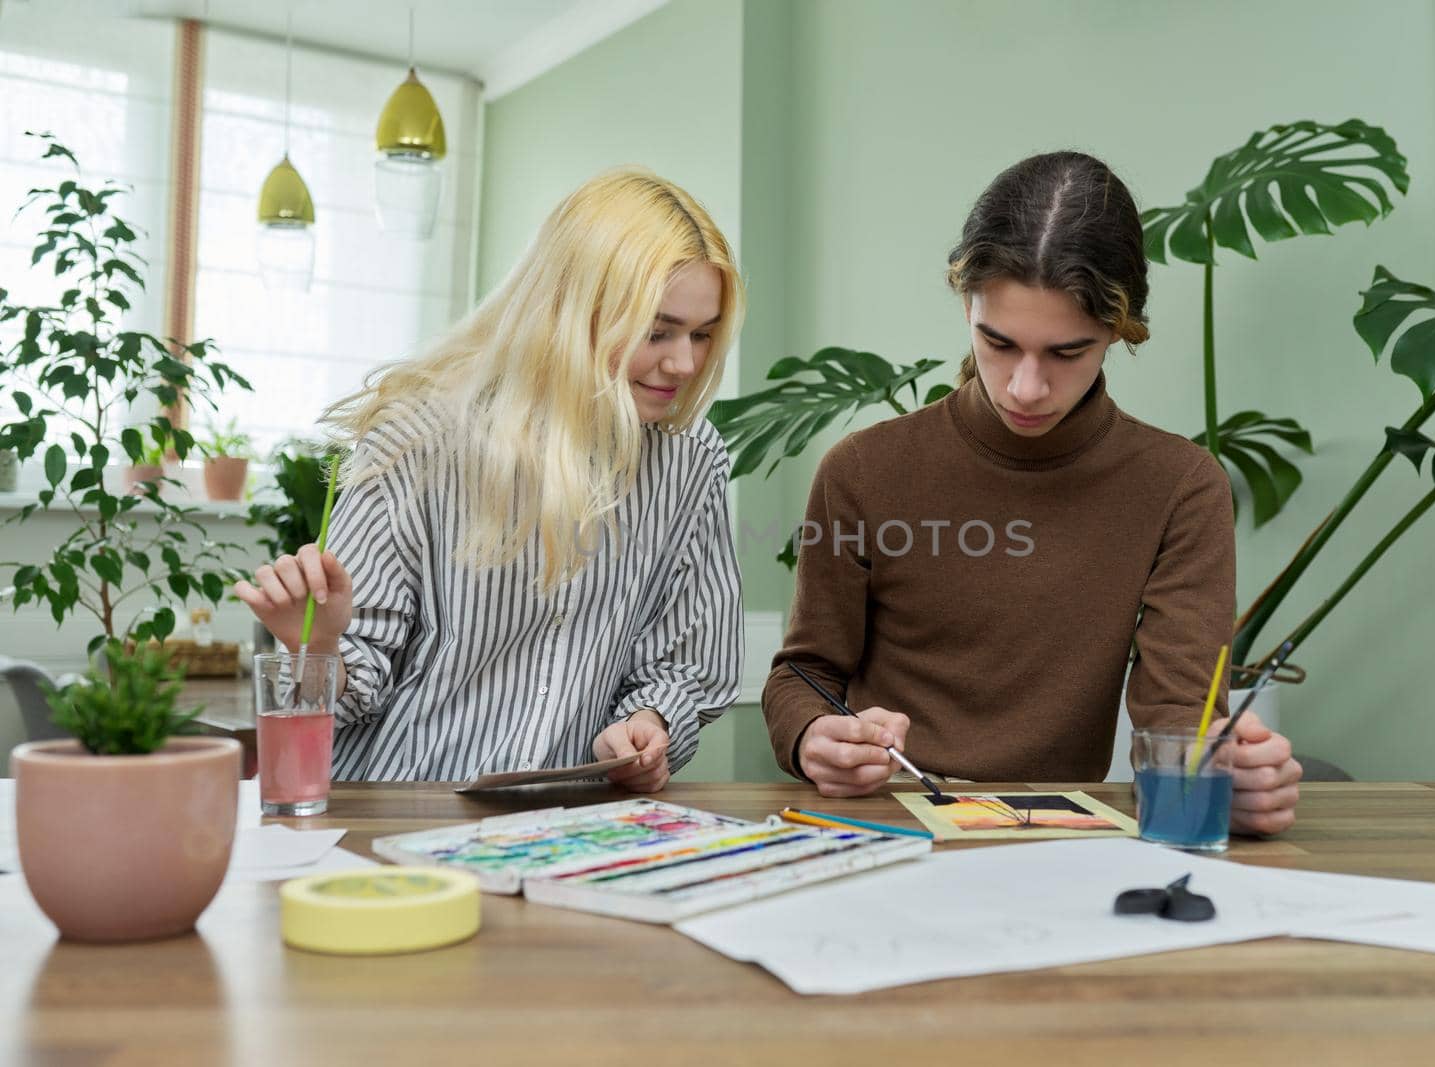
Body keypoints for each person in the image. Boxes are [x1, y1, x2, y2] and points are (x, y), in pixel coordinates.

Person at [761, 151, 1300, 834]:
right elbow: (803, 674)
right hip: (884, 832)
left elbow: (1177, 720)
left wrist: (1231, 778)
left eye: (1066, 352)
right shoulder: (862, 470)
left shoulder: (1181, 487)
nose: (1025, 387)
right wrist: (814, 736)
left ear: (1118, 329)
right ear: (966, 301)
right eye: (998, 342)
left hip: (1055, 845)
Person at [236, 168, 745, 789]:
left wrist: (648, 721)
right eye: (657, 331)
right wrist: (316, 646)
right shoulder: (419, 440)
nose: (685, 363)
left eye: (702, 334)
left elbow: (686, 663)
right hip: (402, 808)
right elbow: (349, 689)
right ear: (569, 313)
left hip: (570, 826)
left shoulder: (691, 460)